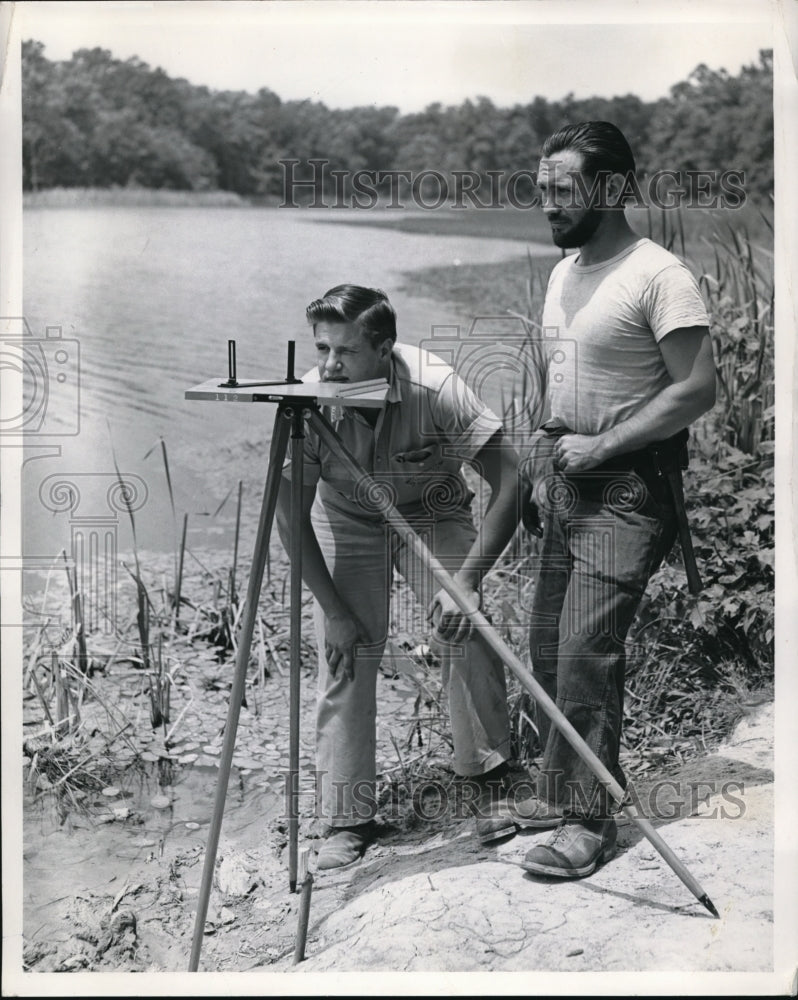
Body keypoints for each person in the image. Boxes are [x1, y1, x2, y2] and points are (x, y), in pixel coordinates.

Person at [516, 122, 716, 878]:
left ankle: (587, 824)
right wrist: (544, 456)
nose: (548, 204)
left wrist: (602, 447)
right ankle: (563, 785)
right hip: (566, 481)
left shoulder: (660, 275)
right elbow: (557, 375)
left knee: (582, 652)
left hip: (630, 491)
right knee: (546, 648)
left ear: (609, 188)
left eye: (561, 190)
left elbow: (698, 388)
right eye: (542, 190)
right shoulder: (564, 271)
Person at [276, 284, 524, 871]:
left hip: (434, 509)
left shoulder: (436, 389)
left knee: (463, 631)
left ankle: (489, 780)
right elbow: (290, 513)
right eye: (322, 350)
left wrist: (464, 583)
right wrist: (336, 612)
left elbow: (512, 480)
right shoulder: (310, 402)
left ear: (384, 348)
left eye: (346, 352)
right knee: (345, 654)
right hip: (348, 518)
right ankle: (347, 816)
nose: (331, 366)